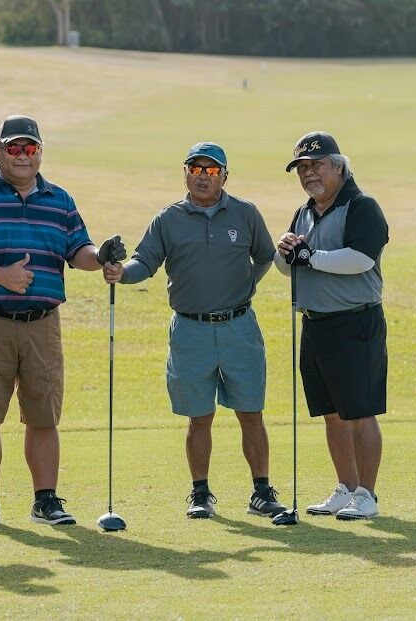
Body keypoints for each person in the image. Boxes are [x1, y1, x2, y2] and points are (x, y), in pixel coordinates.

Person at [0, 114, 125, 529]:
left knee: (43, 415)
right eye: (14, 148)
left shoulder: (59, 200)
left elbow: (78, 251)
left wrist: (102, 258)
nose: (23, 156)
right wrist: (0, 275)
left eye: (30, 149)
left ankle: (46, 501)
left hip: (42, 322)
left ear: (40, 153)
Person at [103, 142, 287, 520]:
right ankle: (200, 494)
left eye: (212, 170)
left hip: (239, 327)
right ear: (186, 172)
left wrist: (247, 286)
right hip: (190, 330)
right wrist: (121, 274)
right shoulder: (167, 220)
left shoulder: (245, 213)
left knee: (250, 412)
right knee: (199, 416)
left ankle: (261, 492)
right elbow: (145, 261)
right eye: (197, 169)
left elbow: (266, 255)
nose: (204, 177)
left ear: (224, 176)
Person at [274, 131, 389, 520]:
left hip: (355, 322)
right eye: (302, 168)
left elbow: (362, 259)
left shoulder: (361, 206)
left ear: (338, 166)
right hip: (316, 324)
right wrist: (286, 252)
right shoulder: (304, 212)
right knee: (331, 412)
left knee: (359, 411)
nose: (309, 175)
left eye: (316, 165)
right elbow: (287, 266)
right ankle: (346, 487)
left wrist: (310, 255)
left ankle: (367, 495)